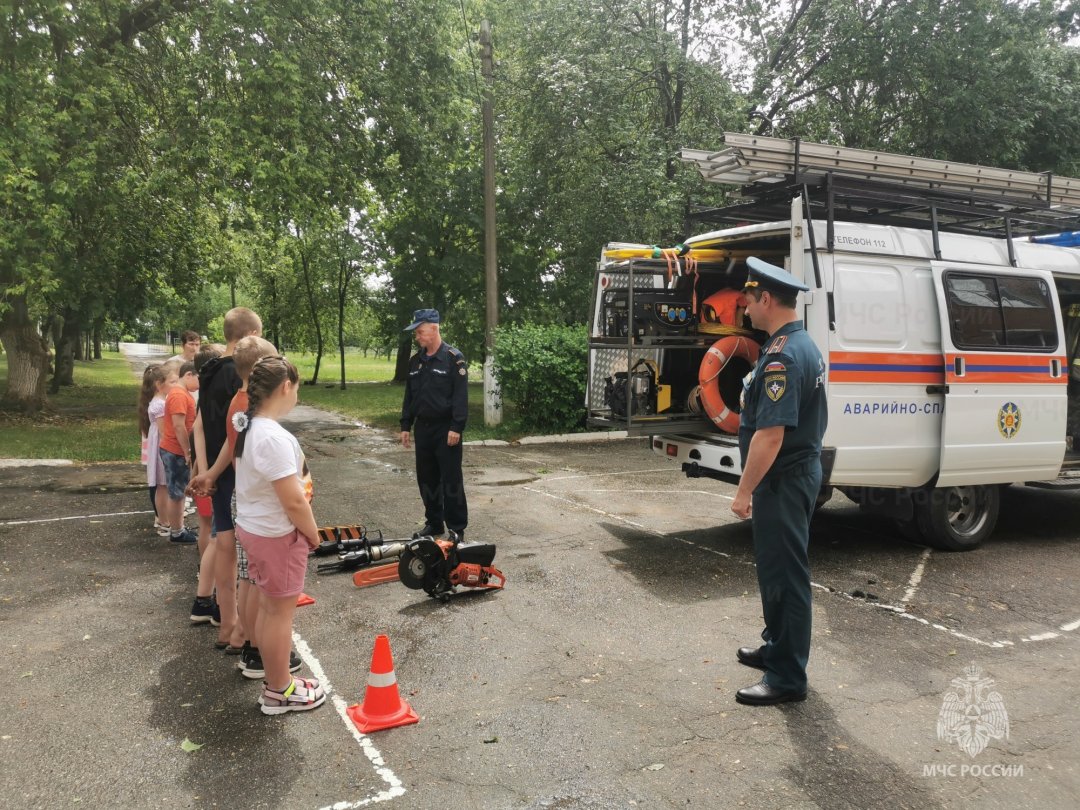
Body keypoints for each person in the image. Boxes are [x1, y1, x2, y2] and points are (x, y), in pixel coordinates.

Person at [730, 257, 828, 707]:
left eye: (749, 300)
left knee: (786, 576)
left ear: (765, 298)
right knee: (774, 570)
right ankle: (776, 647)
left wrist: (744, 491)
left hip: (782, 479)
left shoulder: (783, 356)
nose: (745, 308)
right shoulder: (796, 343)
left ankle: (787, 677)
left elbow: (770, 436)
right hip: (788, 476)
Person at [233, 355, 325, 715]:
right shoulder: (272, 437)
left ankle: (279, 680)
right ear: (286, 386)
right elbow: (294, 500)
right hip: (276, 536)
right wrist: (313, 535)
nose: (297, 395)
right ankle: (279, 690)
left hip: (256, 529)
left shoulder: (252, 427)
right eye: (297, 389)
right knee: (278, 614)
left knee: (271, 608)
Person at [189, 335, 279, 659]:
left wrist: (209, 471)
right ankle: (251, 643)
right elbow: (242, 445)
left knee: (241, 566)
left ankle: (238, 630)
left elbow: (230, 442)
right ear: (260, 370)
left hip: (238, 492)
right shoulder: (247, 409)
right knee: (251, 574)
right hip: (249, 499)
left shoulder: (236, 402)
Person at [399, 308, 468, 540]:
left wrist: (457, 427)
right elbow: (410, 396)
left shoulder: (453, 358)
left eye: (420, 332)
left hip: (446, 428)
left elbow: (460, 396)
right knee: (426, 478)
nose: (417, 337)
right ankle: (434, 522)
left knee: (451, 479)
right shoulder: (415, 361)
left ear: (434, 328)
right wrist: (405, 425)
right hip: (424, 429)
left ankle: (457, 528)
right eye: (416, 333)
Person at [159, 360, 200, 544]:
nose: (200, 384)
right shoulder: (178, 395)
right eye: (199, 379)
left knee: (179, 492)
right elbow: (178, 426)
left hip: (176, 449)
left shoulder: (182, 393)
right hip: (175, 450)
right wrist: (187, 451)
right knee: (176, 493)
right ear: (188, 375)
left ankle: (179, 527)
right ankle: (177, 532)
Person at [138, 363, 169, 536]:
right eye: (171, 381)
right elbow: (165, 433)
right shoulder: (160, 405)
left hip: (158, 446)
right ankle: (164, 520)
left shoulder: (156, 402)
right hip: (162, 448)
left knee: (161, 485)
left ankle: (163, 519)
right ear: (159, 384)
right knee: (162, 485)